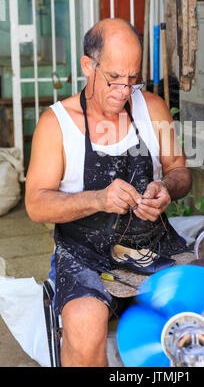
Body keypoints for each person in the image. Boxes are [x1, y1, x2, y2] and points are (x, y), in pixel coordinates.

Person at [25, 18, 192, 367]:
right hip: (84, 255)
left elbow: (180, 172)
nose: (123, 90)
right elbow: (36, 204)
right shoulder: (56, 125)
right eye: (113, 78)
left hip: (152, 248)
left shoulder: (152, 108)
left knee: (201, 315)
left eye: (132, 80)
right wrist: (98, 199)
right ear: (89, 65)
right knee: (85, 329)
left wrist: (166, 189)